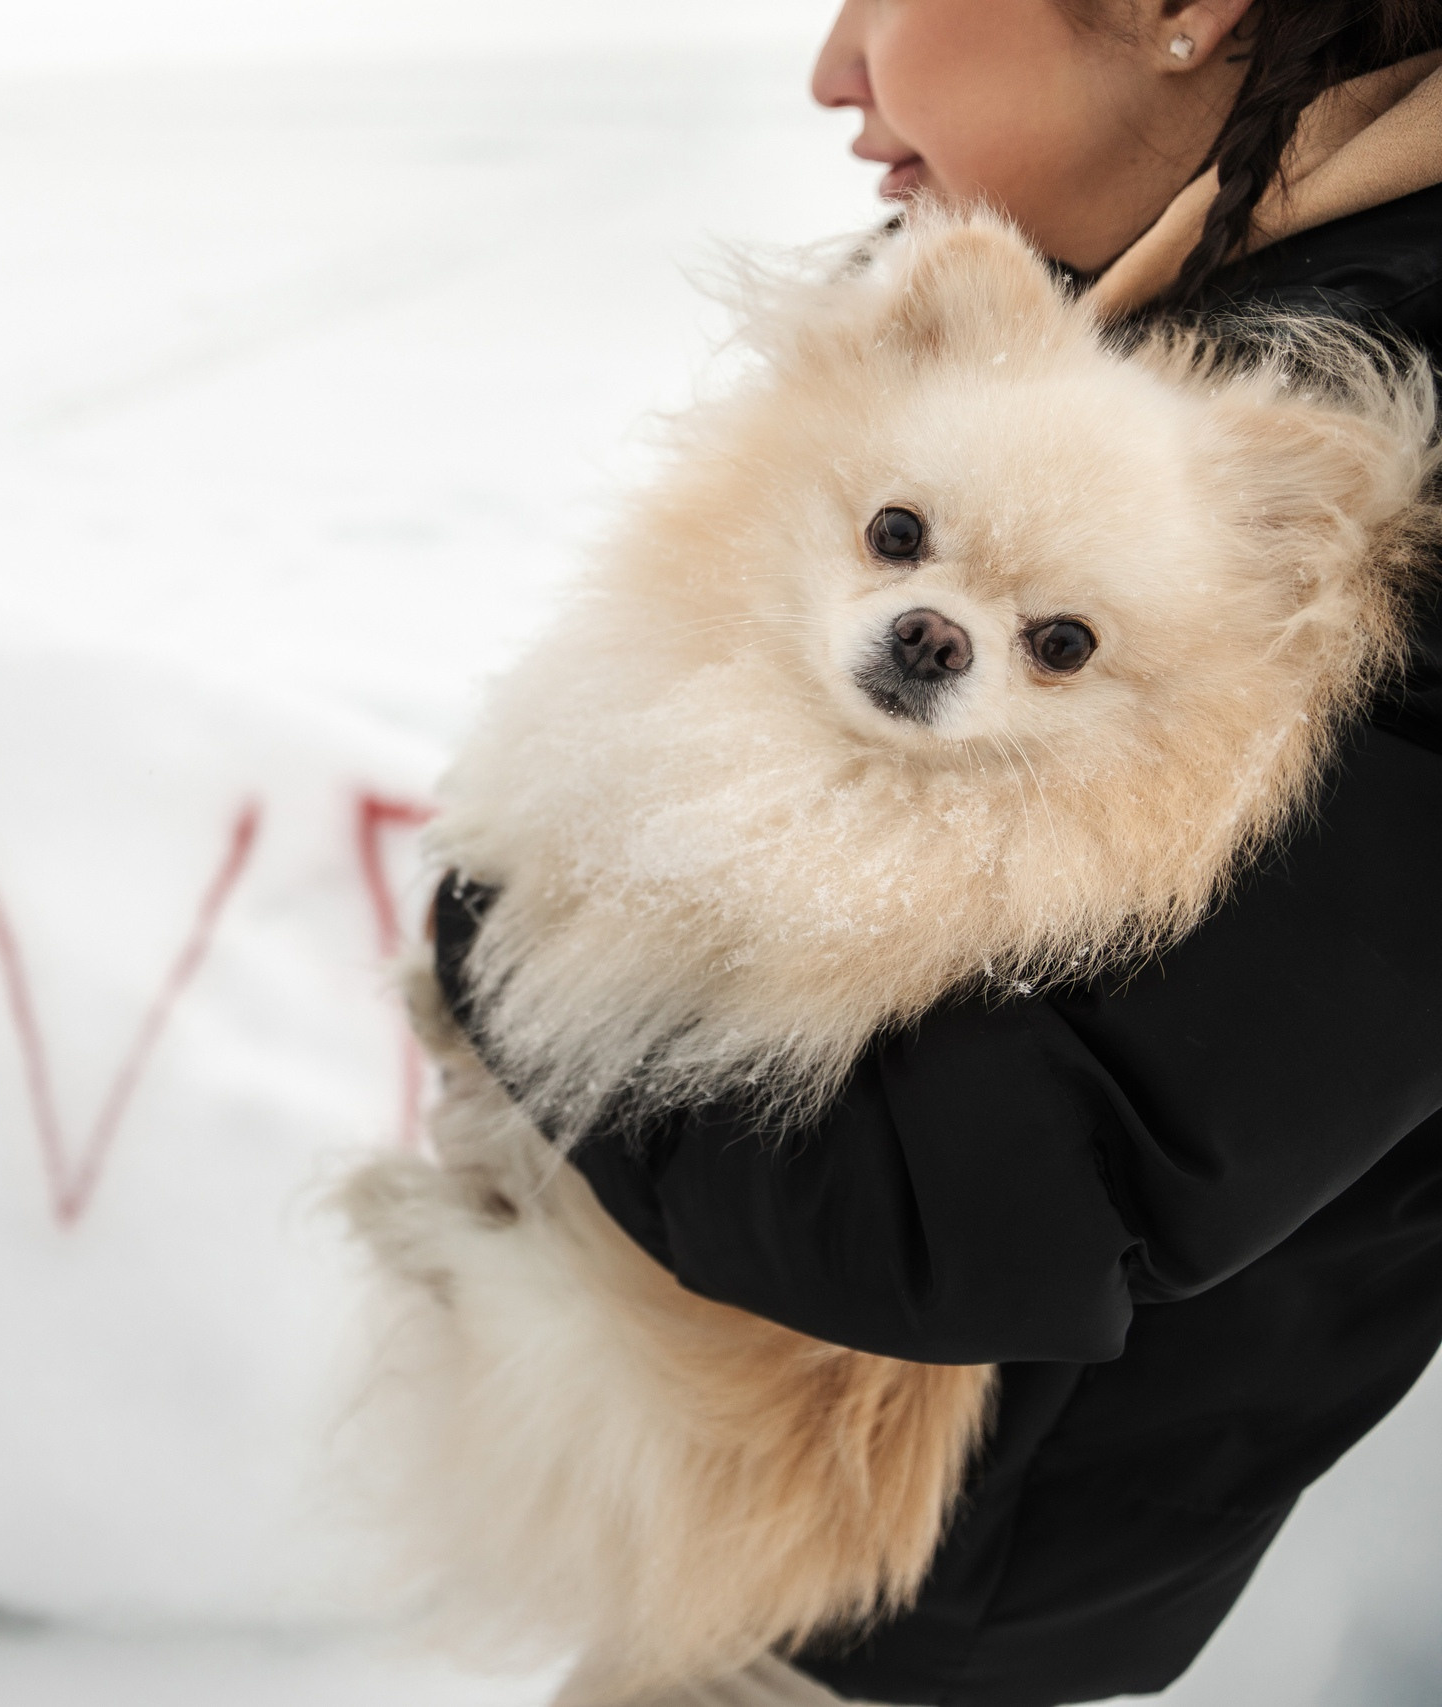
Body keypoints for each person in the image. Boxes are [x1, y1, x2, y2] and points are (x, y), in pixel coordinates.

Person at [433, 3, 1442, 1705]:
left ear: (1184, 12)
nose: (834, 64)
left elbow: (961, 1206)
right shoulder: (1152, 270)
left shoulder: (1351, 459)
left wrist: (503, 952)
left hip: (905, 1581)